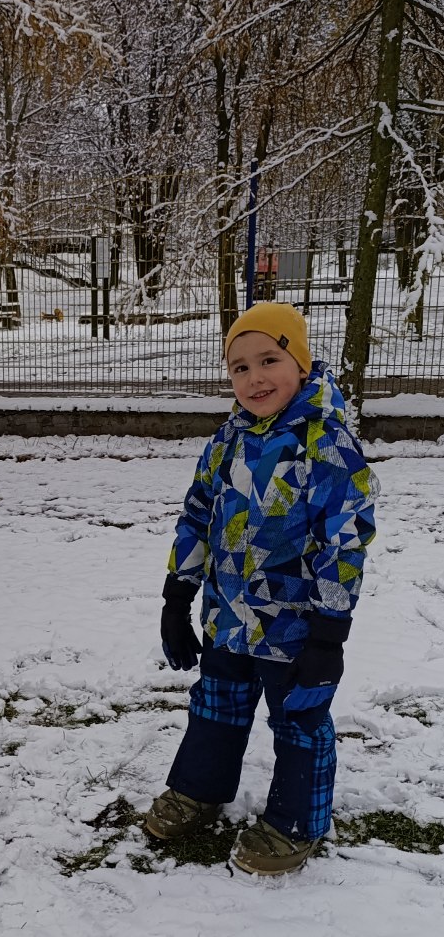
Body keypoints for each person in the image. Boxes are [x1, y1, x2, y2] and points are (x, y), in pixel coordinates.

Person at [144, 302, 379, 875]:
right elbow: (196, 516)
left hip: (295, 628)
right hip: (227, 615)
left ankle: (297, 821)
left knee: (298, 720)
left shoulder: (326, 443)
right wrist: (177, 597)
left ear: (301, 362)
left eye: (269, 360)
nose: (255, 379)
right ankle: (200, 788)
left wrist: (328, 636)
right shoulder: (228, 440)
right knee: (215, 705)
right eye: (240, 367)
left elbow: (344, 542)